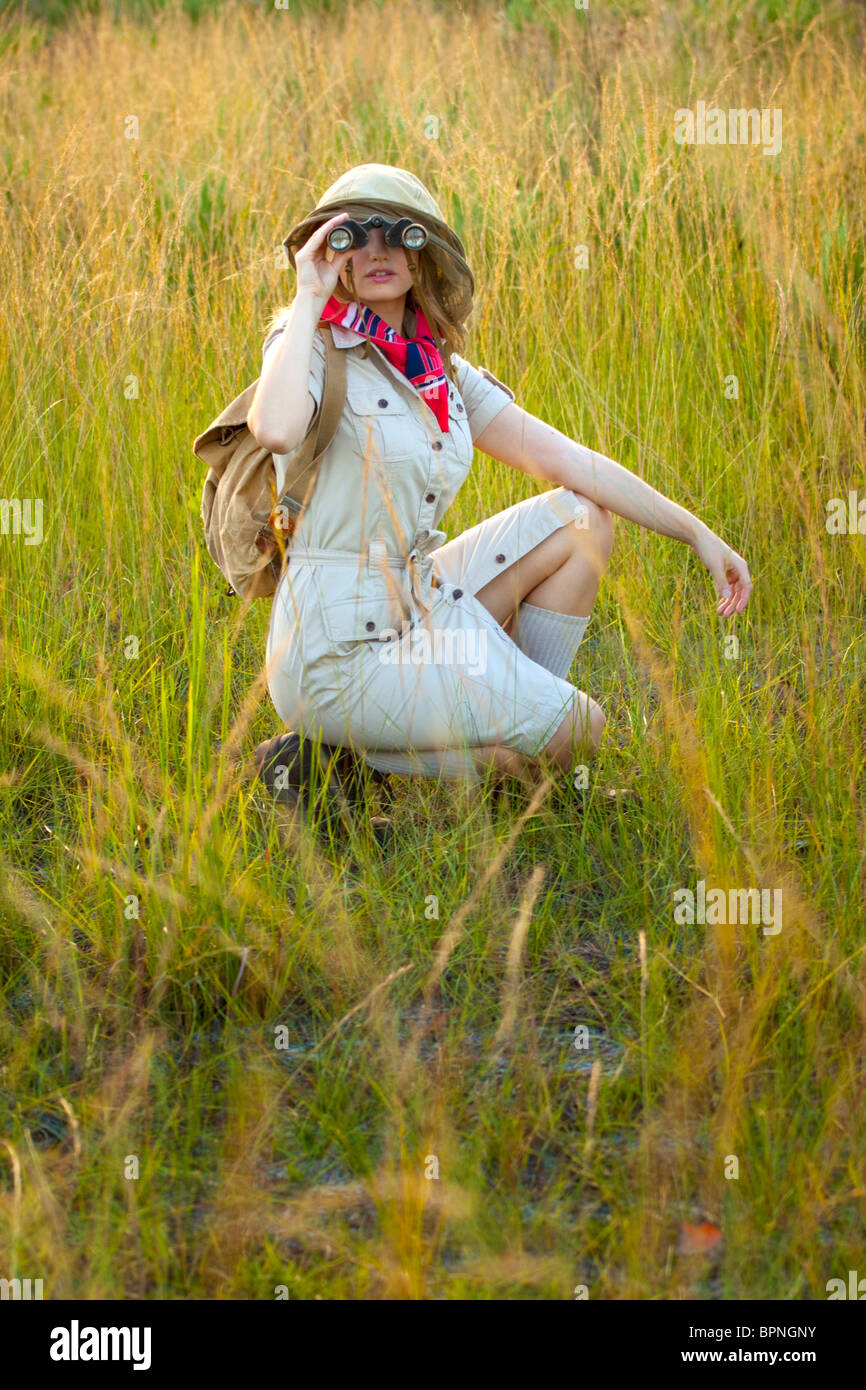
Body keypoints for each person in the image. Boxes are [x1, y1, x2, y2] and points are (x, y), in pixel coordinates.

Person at [248, 163, 752, 801]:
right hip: (336, 651)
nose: (377, 249)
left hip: (415, 603)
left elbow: (576, 462)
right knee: (582, 727)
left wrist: (697, 533)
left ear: (423, 251)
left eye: (397, 232)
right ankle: (361, 765)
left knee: (583, 521)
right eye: (355, 234)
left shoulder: (441, 373)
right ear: (333, 251)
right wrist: (308, 297)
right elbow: (275, 428)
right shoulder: (308, 344)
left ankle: (513, 744)